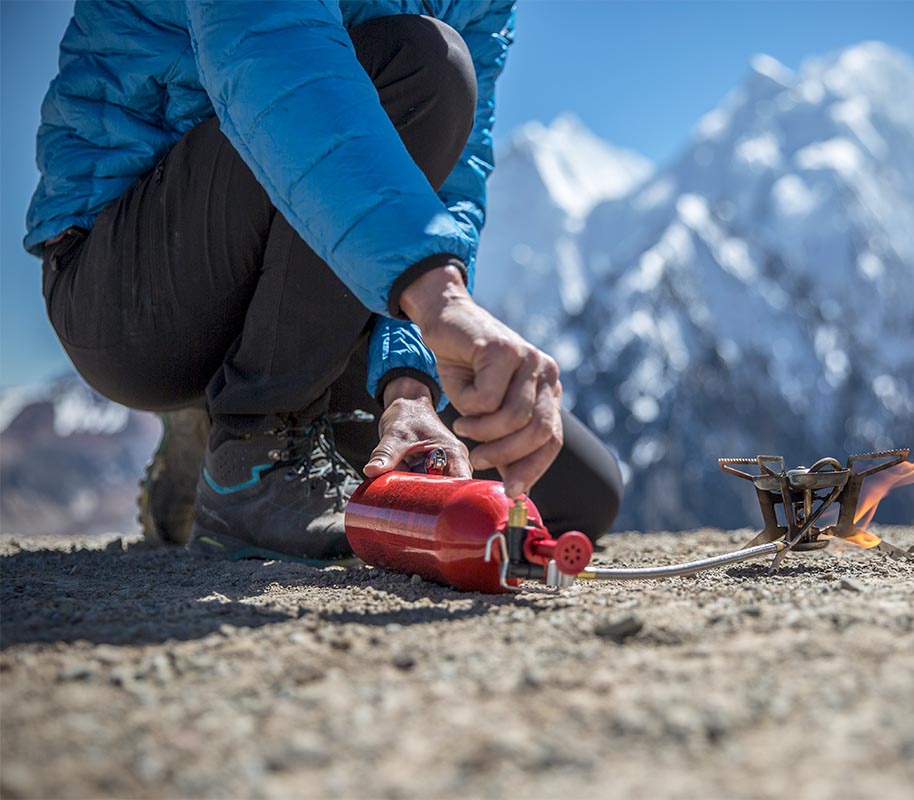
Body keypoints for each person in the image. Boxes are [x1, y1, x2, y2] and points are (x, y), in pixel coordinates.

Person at [25, 1, 622, 564]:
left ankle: (237, 420)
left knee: (574, 494)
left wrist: (409, 381)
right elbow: (276, 67)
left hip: (312, 272)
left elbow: (443, 185)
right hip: (131, 280)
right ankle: (252, 450)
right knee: (426, 66)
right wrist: (438, 299)